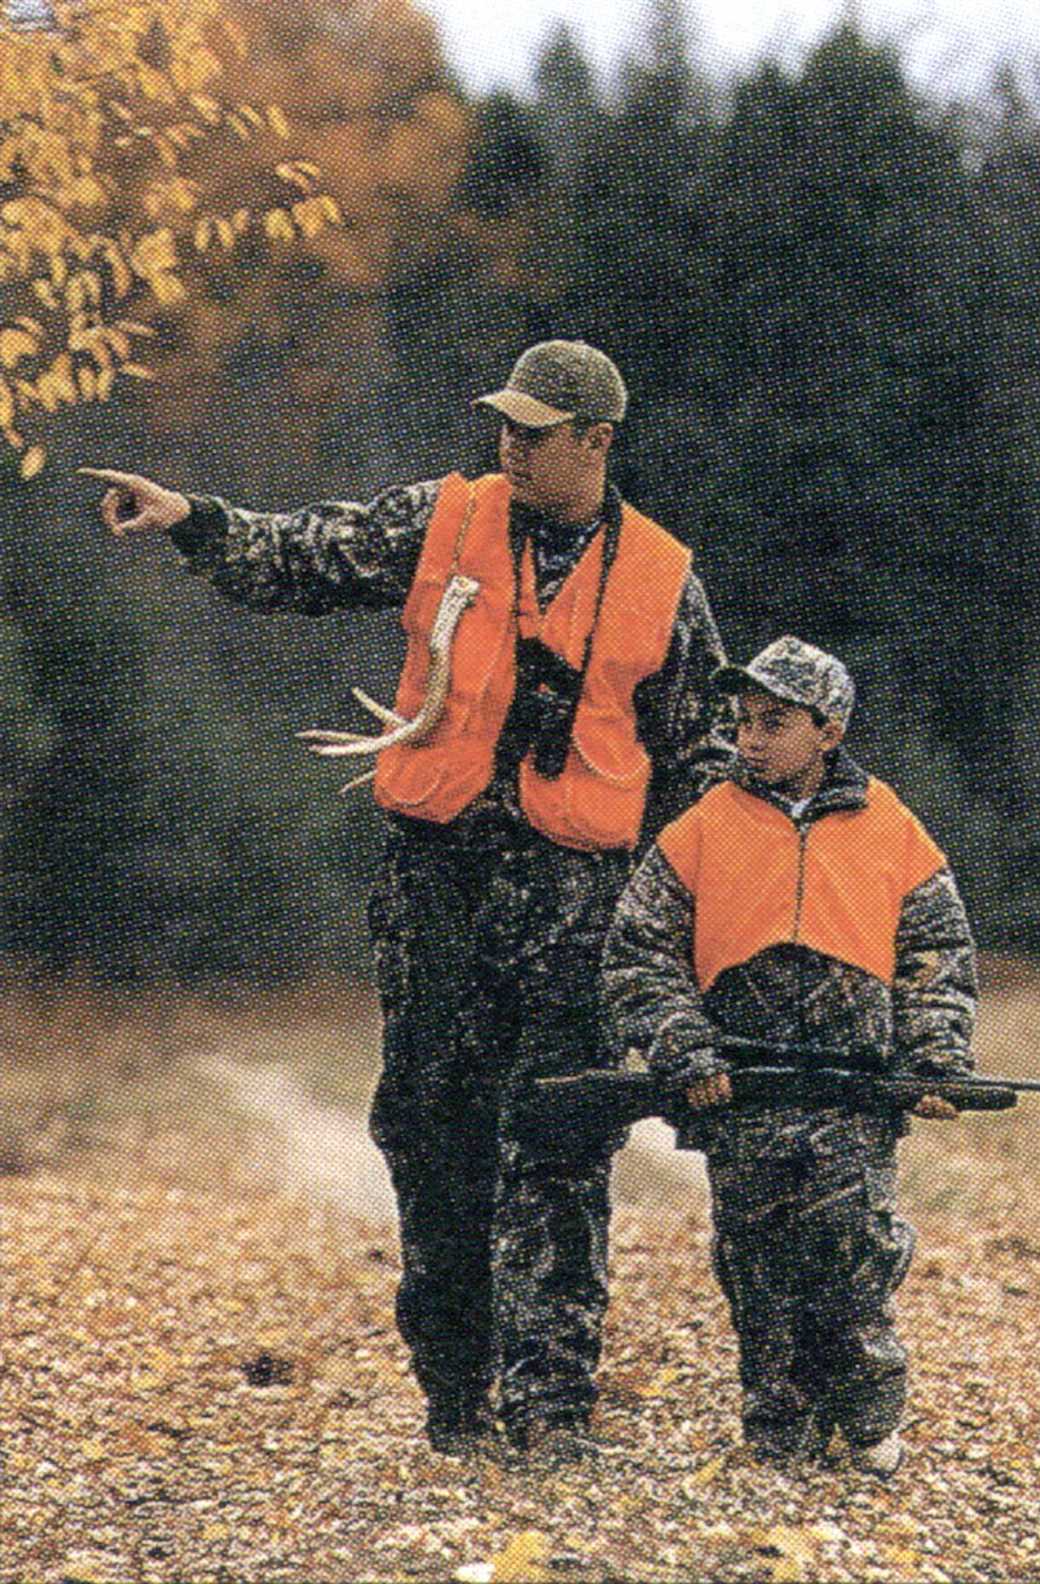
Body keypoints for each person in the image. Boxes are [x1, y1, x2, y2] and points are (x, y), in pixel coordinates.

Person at [84, 340, 729, 1461]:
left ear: (597, 442)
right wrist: (190, 516)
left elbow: (698, 764)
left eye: (536, 429)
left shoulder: (665, 580)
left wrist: (675, 925)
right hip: (434, 891)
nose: (511, 443)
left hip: (577, 906)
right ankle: (455, 1396)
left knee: (561, 1147)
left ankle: (550, 1411)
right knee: (434, 1140)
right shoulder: (447, 517)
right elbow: (302, 554)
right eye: (506, 423)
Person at [601, 635, 977, 1476]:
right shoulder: (701, 830)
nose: (751, 740)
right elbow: (640, 951)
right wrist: (681, 1045)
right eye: (743, 722)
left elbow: (936, 956)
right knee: (756, 1265)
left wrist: (934, 1058)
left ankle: (868, 1419)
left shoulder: (892, 828)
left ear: (830, 729)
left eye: (774, 723)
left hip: (853, 1096)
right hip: (738, 1094)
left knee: (852, 1255)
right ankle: (777, 1435)